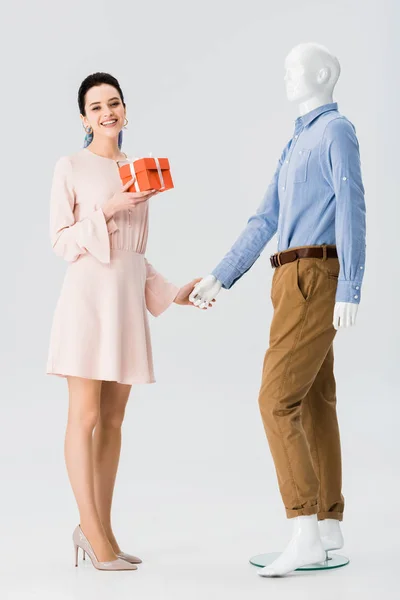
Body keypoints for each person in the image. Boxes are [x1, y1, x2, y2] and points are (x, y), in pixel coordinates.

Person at [190, 43, 366, 576]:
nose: (287, 76)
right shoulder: (295, 142)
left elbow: (353, 205)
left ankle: (304, 530)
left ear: (322, 73)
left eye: (296, 68)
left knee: (275, 399)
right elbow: (264, 218)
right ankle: (329, 524)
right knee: (313, 399)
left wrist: (351, 287)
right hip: (288, 276)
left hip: (315, 273)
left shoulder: (335, 131)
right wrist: (220, 274)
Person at [47, 72, 209, 571]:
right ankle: (92, 534)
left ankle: (104, 534)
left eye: (113, 103)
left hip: (125, 304)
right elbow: (61, 241)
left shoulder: (139, 169)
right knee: (86, 417)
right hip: (86, 302)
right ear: (83, 118)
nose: (106, 112)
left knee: (114, 421)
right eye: (95, 107)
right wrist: (109, 208)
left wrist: (174, 292)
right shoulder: (70, 166)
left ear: (125, 109)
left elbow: (134, 255)